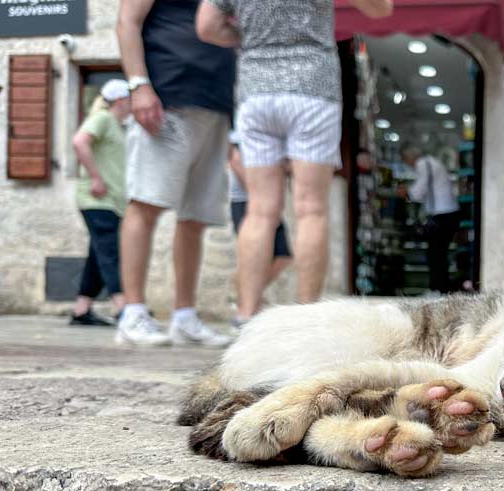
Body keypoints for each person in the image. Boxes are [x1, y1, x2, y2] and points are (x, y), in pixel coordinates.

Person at [196, 0, 393, 322]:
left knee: (260, 210)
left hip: (256, 92)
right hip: (313, 90)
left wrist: (249, 36)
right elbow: (380, 8)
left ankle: (246, 313)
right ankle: (305, 317)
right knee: (311, 209)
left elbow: (207, 27)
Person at [115, 0, 236, 347]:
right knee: (145, 203)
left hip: (214, 102)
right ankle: (133, 313)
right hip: (166, 96)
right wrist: (139, 85)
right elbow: (127, 21)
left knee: (195, 217)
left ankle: (185, 316)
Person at [69, 79, 130, 326]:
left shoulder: (117, 125)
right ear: (120, 101)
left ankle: (81, 309)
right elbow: (79, 141)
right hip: (97, 200)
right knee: (111, 252)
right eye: (131, 99)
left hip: (112, 201)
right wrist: (95, 178)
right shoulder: (103, 118)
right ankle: (124, 307)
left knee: (98, 254)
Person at [227, 130, 292, 326]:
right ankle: (245, 305)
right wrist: (258, 190)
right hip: (245, 200)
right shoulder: (242, 127)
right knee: (273, 254)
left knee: (282, 256)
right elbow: (234, 159)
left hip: (264, 201)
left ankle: (249, 296)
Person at [400, 145, 461, 293]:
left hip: (442, 214)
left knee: (435, 254)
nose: (406, 163)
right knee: (439, 253)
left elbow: (420, 190)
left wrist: (406, 192)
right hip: (448, 213)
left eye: (404, 159)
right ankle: (441, 289)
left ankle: (438, 289)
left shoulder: (423, 163)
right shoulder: (432, 162)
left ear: (410, 157)